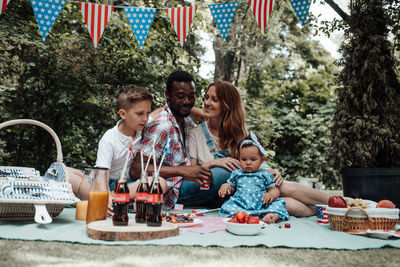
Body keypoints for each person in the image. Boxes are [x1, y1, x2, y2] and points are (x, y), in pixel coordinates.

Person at [188, 81, 329, 217]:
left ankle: (334, 206)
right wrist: (214, 163)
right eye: (206, 98)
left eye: (214, 100)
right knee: (281, 193)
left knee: (283, 194)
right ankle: (334, 205)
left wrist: (271, 171)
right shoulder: (196, 133)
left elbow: (253, 160)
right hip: (219, 193)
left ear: (227, 105)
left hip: (248, 188)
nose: (207, 103)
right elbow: (191, 173)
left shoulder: (239, 133)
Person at [129, 70, 224, 210]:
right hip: (172, 190)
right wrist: (182, 171)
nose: (187, 101)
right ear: (167, 95)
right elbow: (136, 169)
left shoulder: (186, 121)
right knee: (224, 173)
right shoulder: (162, 126)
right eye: (180, 96)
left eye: (191, 96)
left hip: (189, 181)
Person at [68, 85, 167, 203]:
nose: (145, 118)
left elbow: (161, 111)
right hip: (103, 182)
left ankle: (112, 198)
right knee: (67, 173)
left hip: (128, 186)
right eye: (140, 113)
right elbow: (102, 178)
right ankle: (106, 199)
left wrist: (194, 111)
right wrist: (104, 192)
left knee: (161, 183)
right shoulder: (109, 139)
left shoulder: (142, 125)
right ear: (123, 114)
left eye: (147, 113)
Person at [218, 133, 289, 223]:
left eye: (253, 159)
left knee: (279, 204)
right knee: (227, 207)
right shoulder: (237, 173)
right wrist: (226, 186)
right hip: (241, 204)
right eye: (244, 159)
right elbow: (232, 187)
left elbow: (274, 189)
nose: (248, 163)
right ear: (239, 159)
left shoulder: (265, 174)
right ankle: (241, 216)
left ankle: (270, 216)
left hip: (261, 203)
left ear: (262, 160)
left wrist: (271, 195)